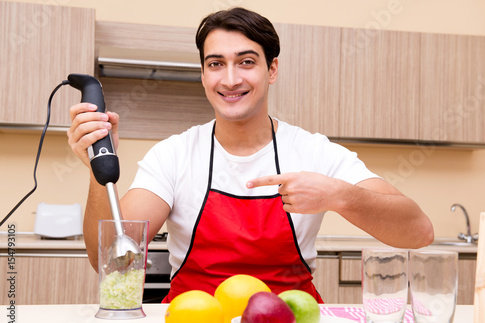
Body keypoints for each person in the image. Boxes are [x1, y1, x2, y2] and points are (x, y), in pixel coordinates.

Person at [67, 7, 434, 303]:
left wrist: (337, 194)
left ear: (271, 69)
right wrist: (96, 172)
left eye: (246, 62)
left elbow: (418, 231)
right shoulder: (174, 154)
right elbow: (109, 262)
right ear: (203, 74)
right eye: (215, 64)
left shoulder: (313, 151)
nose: (229, 79)